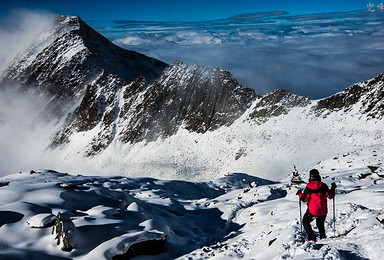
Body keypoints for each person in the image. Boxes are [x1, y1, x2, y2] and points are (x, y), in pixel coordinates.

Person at [296, 169, 336, 242]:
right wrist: (333, 188)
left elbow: (304, 199)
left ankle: (312, 238)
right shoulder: (323, 186)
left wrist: (299, 194)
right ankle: (323, 238)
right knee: (320, 224)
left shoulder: (309, 187)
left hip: (313, 210)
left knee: (305, 222)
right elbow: (330, 196)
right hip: (323, 210)